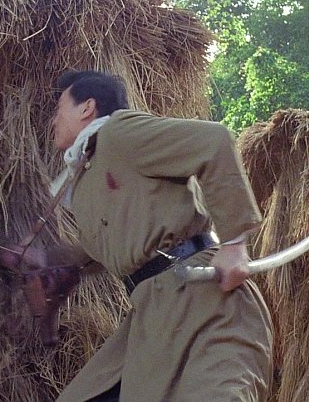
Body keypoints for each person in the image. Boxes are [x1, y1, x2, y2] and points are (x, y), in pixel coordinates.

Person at [48, 70, 273, 402]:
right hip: (151, 317)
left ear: (87, 108)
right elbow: (113, 242)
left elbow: (213, 140)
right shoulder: (86, 179)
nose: (53, 119)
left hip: (204, 302)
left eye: (59, 108)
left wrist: (234, 243)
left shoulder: (118, 132)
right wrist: (47, 262)